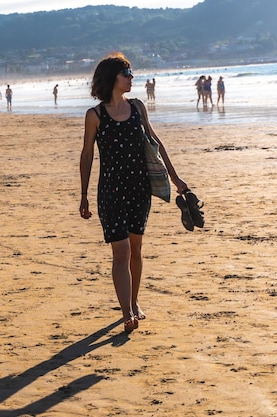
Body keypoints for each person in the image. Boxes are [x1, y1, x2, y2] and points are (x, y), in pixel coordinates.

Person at [79, 52, 189, 334]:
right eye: (126, 74)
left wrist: (175, 178)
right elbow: (88, 154)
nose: (131, 78)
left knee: (136, 248)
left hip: (139, 188)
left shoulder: (138, 107)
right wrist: (84, 194)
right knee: (122, 250)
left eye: (131, 74)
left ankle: (135, 301)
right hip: (111, 191)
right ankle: (126, 311)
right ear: (112, 78)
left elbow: (155, 142)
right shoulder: (95, 116)